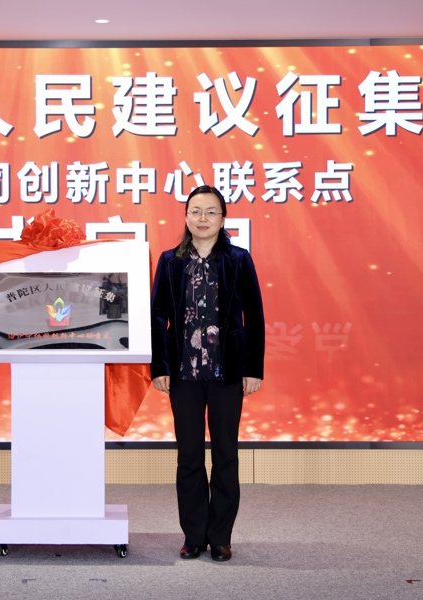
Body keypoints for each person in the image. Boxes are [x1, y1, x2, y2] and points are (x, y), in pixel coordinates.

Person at [150, 185, 265, 562]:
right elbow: (157, 317)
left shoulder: (238, 259)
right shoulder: (170, 261)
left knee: (226, 454)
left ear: (223, 218)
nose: (203, 218)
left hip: (225, 372)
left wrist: (253, 368)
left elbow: (254, 316)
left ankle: (220, 537)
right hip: (183, 373)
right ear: (186, 217)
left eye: (211, 212)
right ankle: (193, 536)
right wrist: (160, 366)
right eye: (196, 211)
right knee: (189, 456)